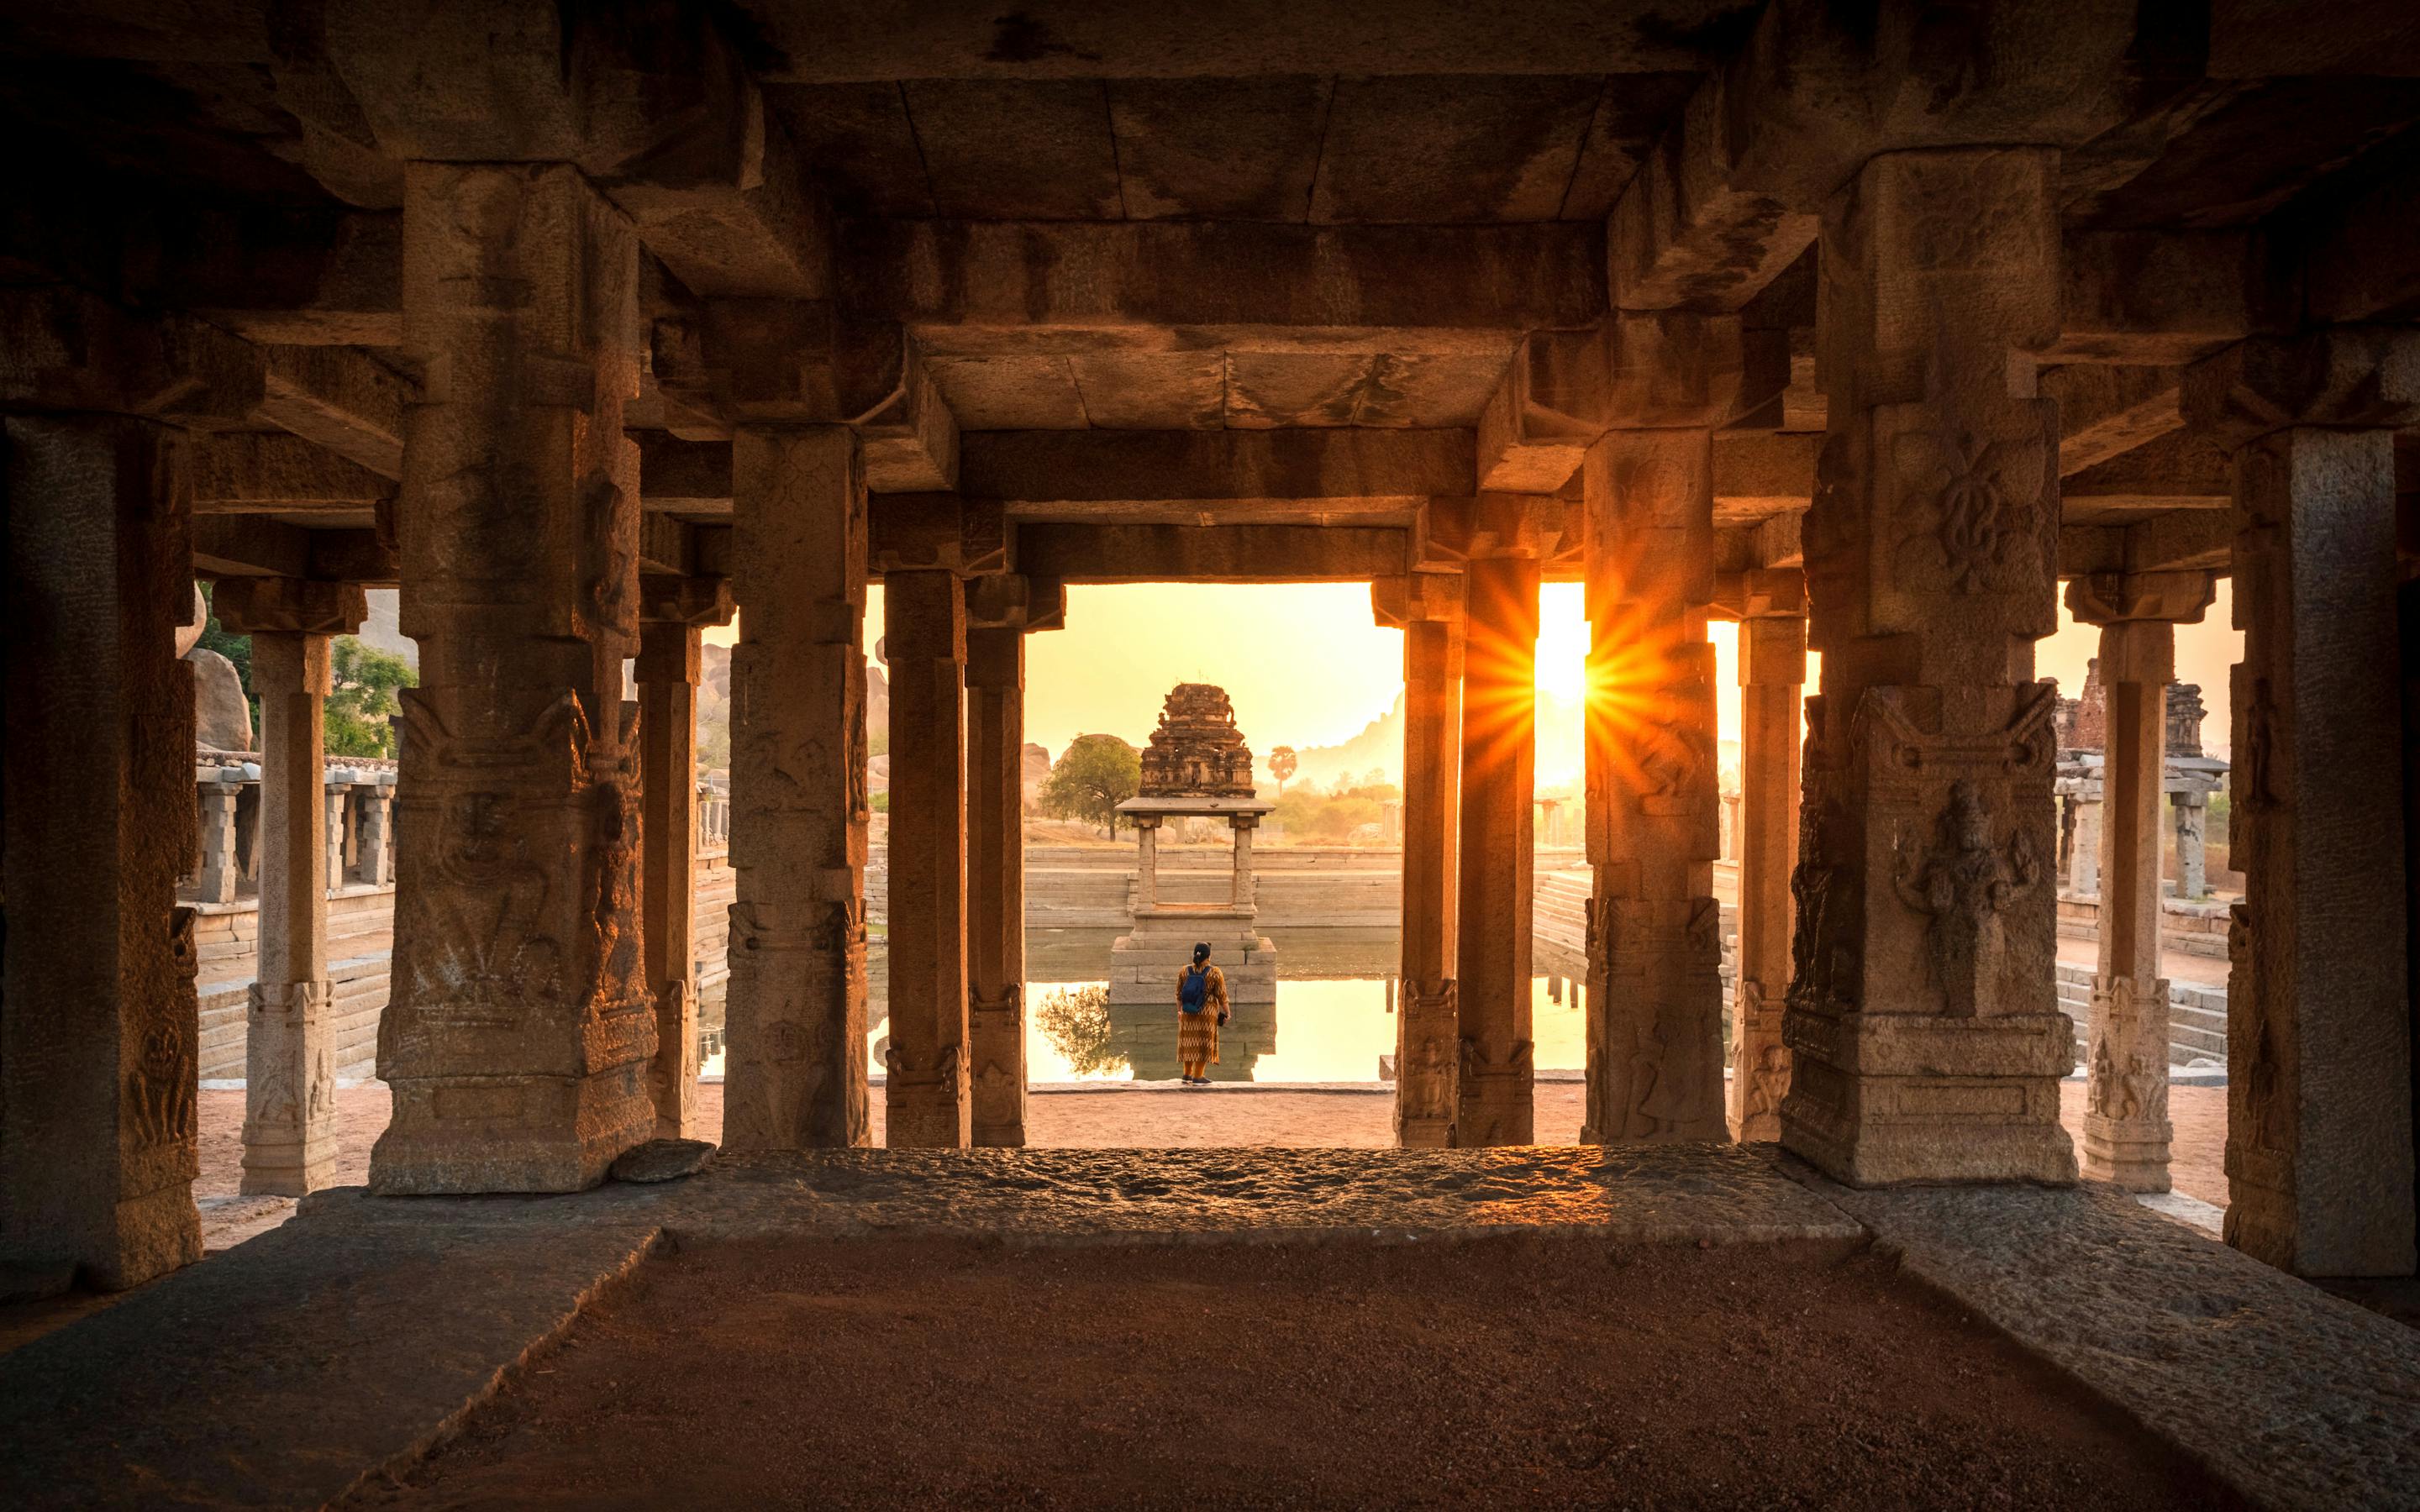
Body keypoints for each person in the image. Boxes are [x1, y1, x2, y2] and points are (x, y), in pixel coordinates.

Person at [1175, 942, 1228, 1085]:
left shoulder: (1184, 971)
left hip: (1187, 1011)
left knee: (1189, 1042)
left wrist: (1179, 1011)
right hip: (1207, 1013)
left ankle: (1186, 1076)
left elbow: (1179, 995)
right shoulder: (1215, 972)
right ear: (1209, 956)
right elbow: (1222, 996)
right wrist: (1227, 1013)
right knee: (1203, 1043)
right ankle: (1198, 1077)